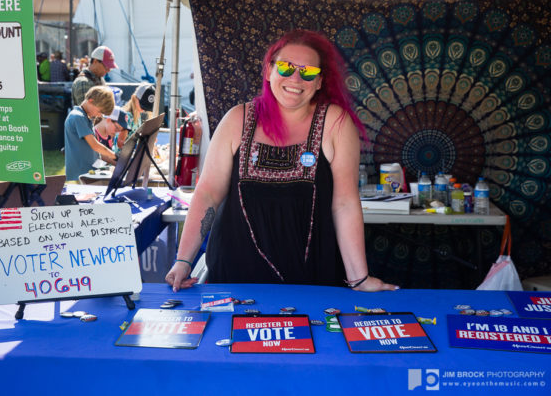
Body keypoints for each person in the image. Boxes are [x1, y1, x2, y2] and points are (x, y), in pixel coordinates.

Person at [165, 30, 398, 292]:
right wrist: (183, 261)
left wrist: (359, 278)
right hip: (236, 275)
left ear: (319, 81)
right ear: (269, 71)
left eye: (308, 72)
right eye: (286, 67)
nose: (295, 78)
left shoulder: (335, 123)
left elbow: (344, 204)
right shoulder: (236, 120)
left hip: (312, 277)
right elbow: (207, 194)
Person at [64, 85, 117, 181]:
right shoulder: (78, 117)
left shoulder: (85, 118)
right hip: (80, 176)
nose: (99, 115)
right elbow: (95, 146)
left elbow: (94, 151)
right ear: (91, 101)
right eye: (99, 111)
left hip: (89, 172)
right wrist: (116, 156)